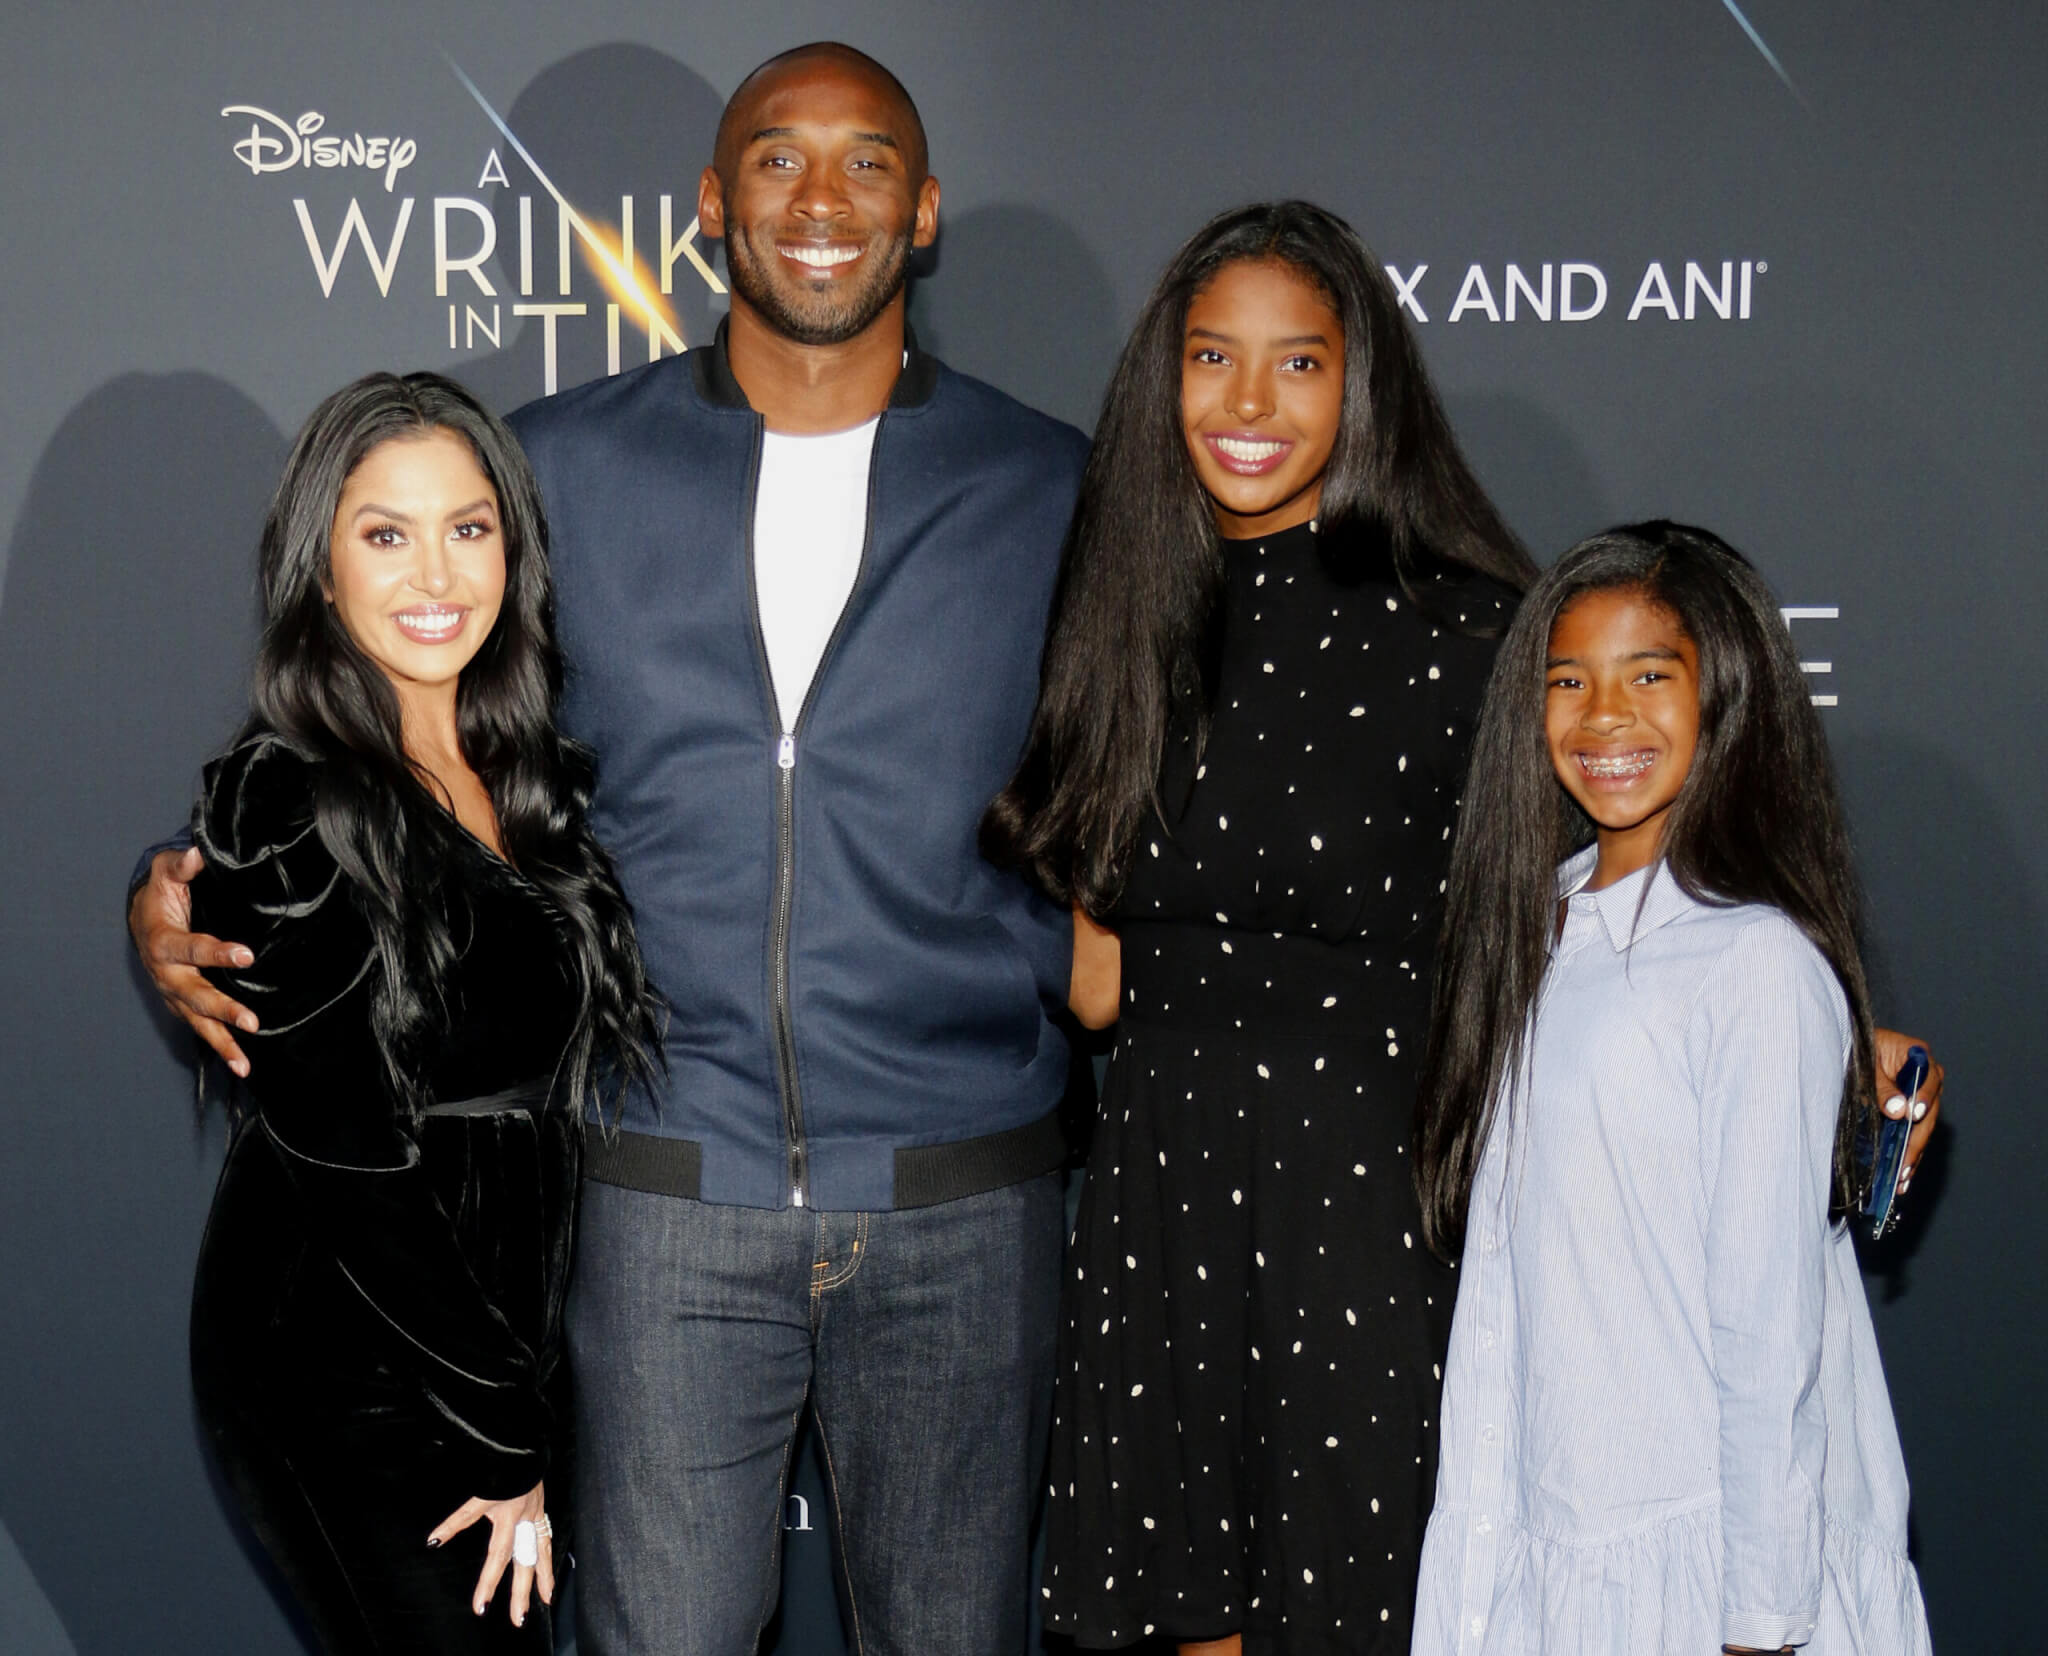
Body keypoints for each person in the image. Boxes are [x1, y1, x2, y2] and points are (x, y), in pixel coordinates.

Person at [132, 43, 1087, 1654]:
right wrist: (179, 889)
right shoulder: (553, 471)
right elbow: (393, 710)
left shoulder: (1057, 486)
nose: (822, 200)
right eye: (777, 159)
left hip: (964, 1198)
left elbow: (1164, 795)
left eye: (869, 163)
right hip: (661, 1195)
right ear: (711, 206)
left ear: (925, 213)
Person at [983, 205, 1943, 1656]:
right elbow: (1103, 980)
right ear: (1158, 378)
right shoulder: (1116, 617)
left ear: (1361, 384)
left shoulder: (1470, 630)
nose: (1250, 402)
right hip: (1164, 1207)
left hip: (1375, 1209)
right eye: (1211, 357)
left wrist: (1831, 1021)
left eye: (1298, 361)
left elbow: (1611, 863)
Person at [182, 371, 661, 1653]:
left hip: (487, 1344)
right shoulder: (287, 799)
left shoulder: (522, 771)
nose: (434, 572)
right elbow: (343, 1147)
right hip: (344, 1350)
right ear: (320, 570)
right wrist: (502, 1416)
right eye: (384, 534)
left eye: (469, 526)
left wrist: (519, 1398)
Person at [1410, 522, 1932, 1654]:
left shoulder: (1753, 962)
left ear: (1726, 694)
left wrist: (1754, 1623)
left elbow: (1767, 1331)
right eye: (1568, 680)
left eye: (1648, 675)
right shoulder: (1531, 926)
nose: (1604, 717)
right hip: (1546, 1531)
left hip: (1699, 1569)